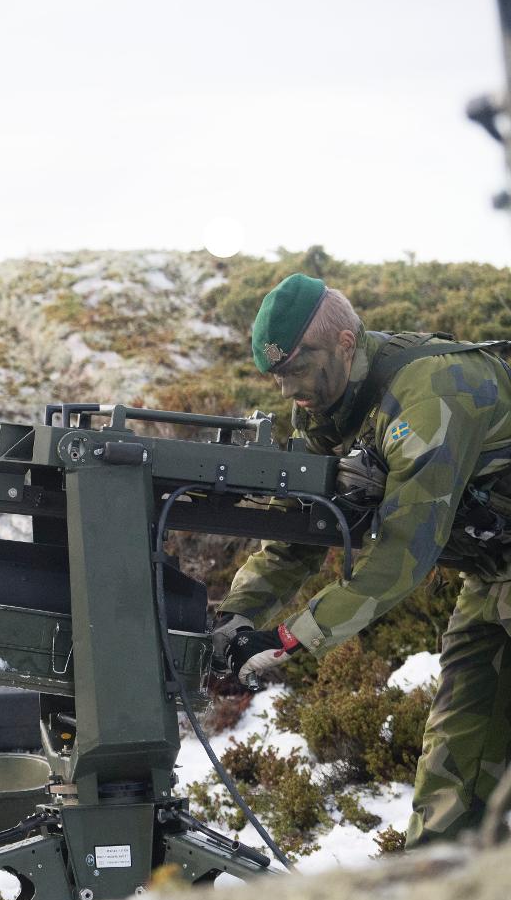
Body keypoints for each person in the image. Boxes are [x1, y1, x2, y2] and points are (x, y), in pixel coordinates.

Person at [214, 272, 511, 847]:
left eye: (298, 367)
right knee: (459, 752)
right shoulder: (325, 405)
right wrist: (237, 617)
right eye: (278, 375)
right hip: (494, 573)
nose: (288, 389)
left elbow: (403, 554)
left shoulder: (432, 394)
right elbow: (302, 531)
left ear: (346, 344)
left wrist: (293, 637)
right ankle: (440, 893)